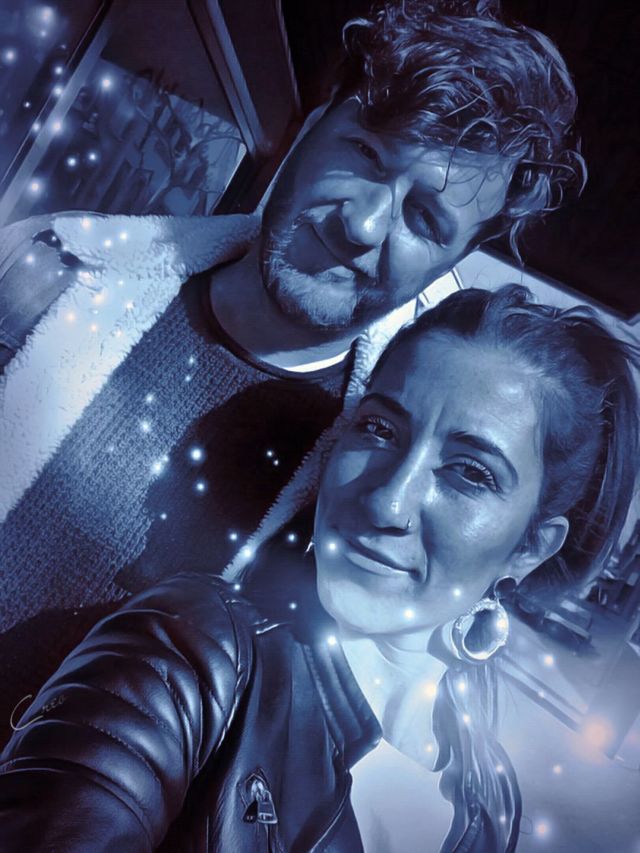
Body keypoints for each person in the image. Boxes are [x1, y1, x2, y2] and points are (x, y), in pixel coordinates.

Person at [0, 0, 584, 742]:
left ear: (452, 260)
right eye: (366, 154)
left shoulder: (369, 495)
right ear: (306, 131)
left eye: (426, 218)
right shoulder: (45, 267)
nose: (363, 224)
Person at [0, 284, 637, 852]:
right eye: (380, 430)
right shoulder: (191, 655)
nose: (388, 502)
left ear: (531, 547)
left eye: (470, 473)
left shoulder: (490, 802)